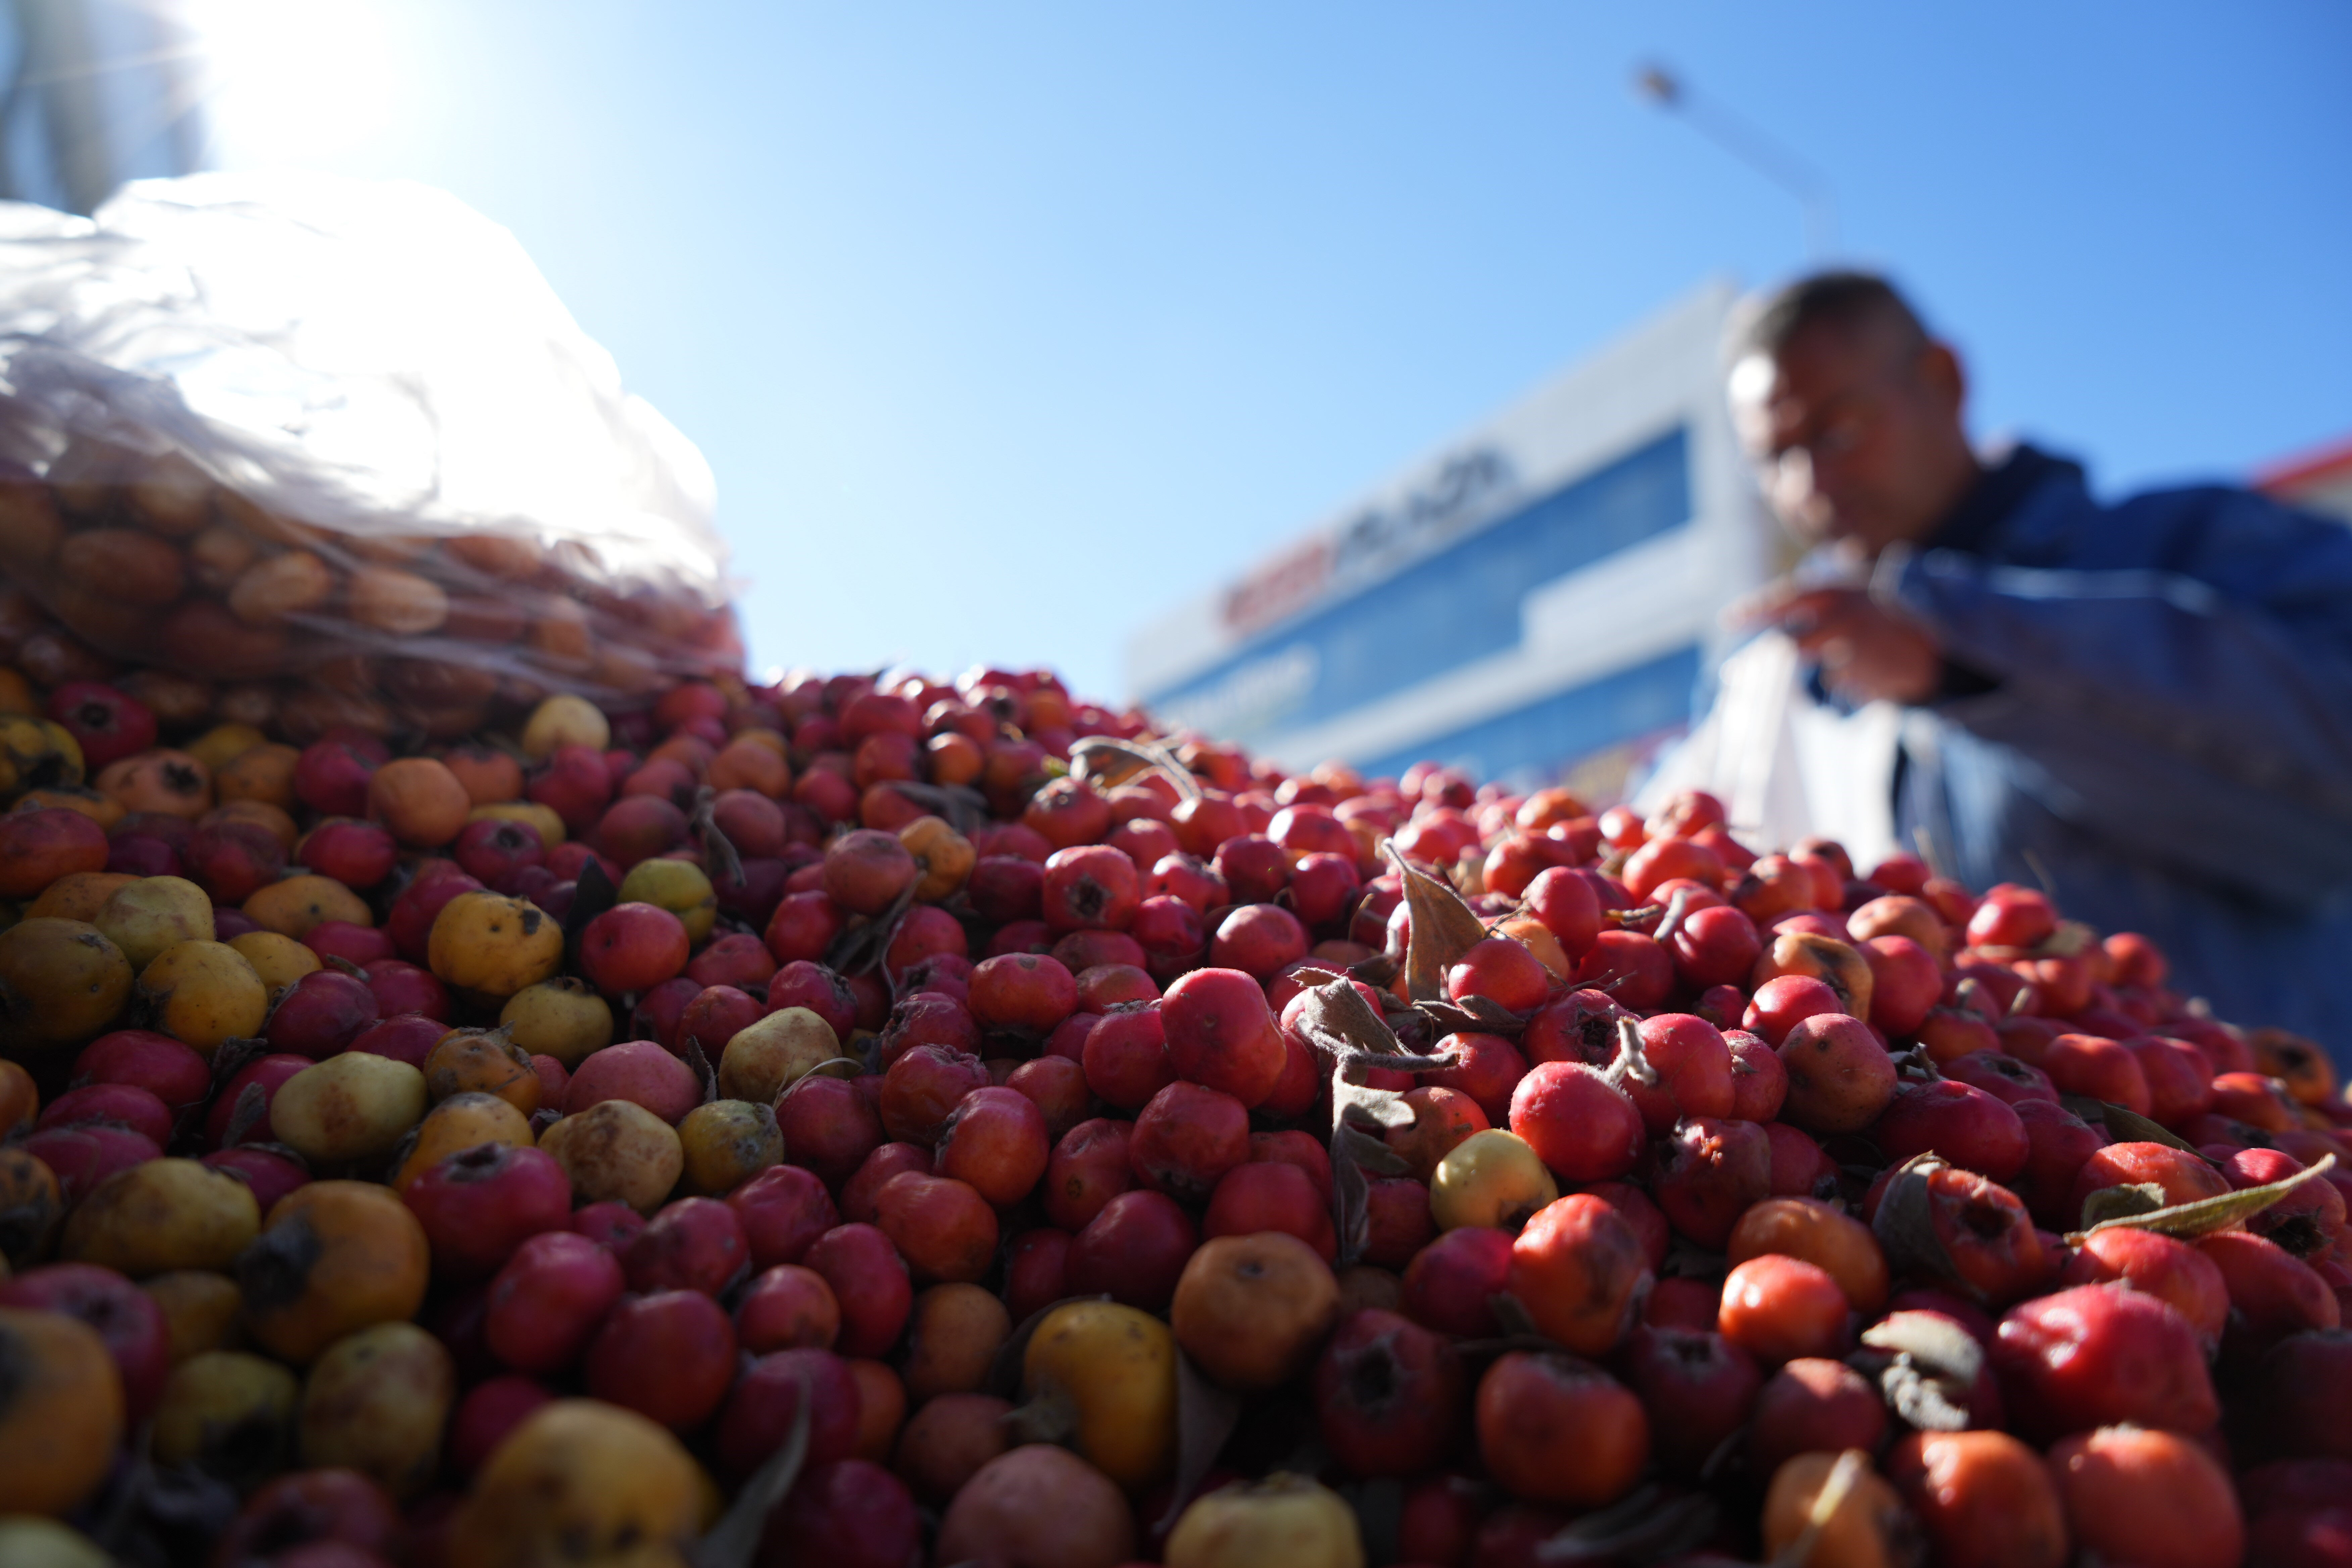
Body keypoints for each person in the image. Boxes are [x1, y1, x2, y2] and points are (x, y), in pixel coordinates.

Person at [1673, 271, 2352, 1064]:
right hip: (2019, 1153)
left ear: (1944, 380)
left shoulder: (2188, 540)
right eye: (1776, 458)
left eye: (1841, 428)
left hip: (2282, 1138)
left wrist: (1964, 653)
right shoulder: (1809, 673)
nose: (1811, 486)